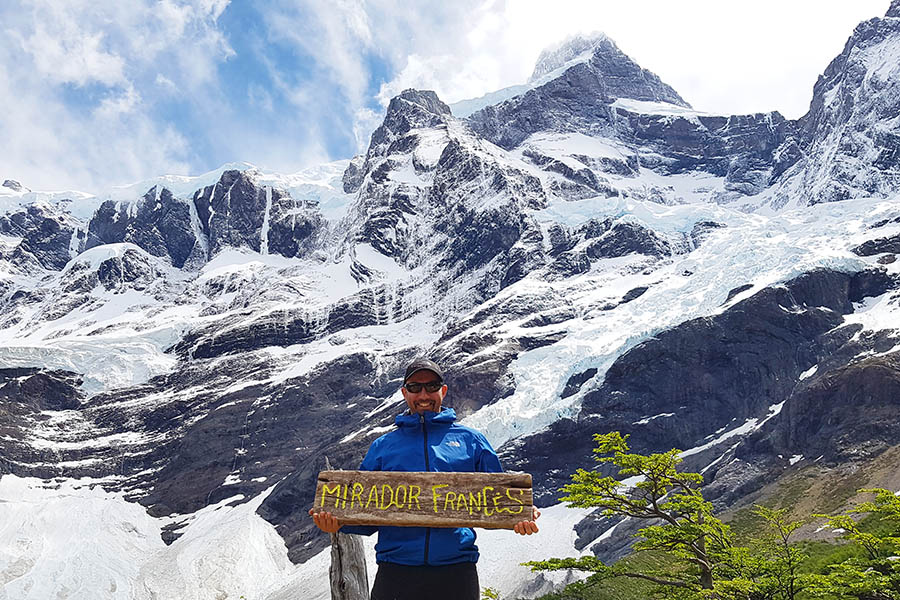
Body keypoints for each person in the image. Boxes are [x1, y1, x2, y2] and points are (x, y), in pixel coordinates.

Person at [309, 358, 540, 600]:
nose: (423, 395)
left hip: (456, 571)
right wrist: (338, 523)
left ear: (443, 390)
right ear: (404, 393)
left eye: (431, 386)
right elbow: (367, 511)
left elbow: (498, 499)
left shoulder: (472, 441)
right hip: (396, 570)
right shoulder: (383, 447)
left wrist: (521, 513)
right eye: (415, 387)